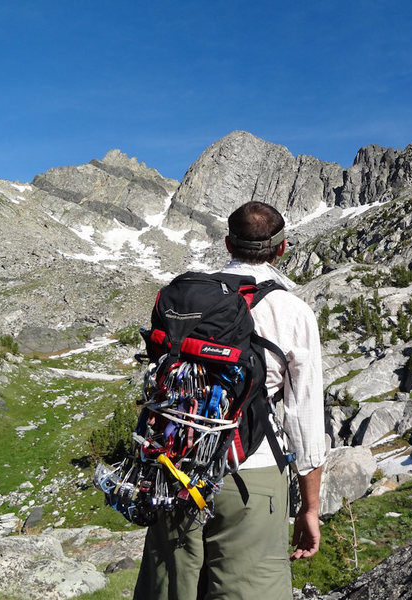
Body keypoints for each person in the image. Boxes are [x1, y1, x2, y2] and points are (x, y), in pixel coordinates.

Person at [134, 201, 327, 600]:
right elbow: (304, 418)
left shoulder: (185, 299)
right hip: (252, 471)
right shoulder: (292, 310)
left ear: (227, 244)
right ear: (282, 248)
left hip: (178, 467)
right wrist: (309, 508)